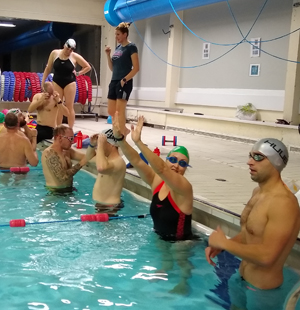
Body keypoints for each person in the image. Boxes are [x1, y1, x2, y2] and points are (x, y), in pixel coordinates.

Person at [205, 138, 300, 310]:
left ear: (275, 162)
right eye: (250, 155)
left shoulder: (284, 203)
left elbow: (267, 256)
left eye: (258, 157)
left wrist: (224, 242)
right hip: (241, 279)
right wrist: (228, 245)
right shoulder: (258, 192)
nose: (249, 162)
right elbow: (251, 232)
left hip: (262, 292)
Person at [113, 112, 194, 294]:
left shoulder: (184, 187)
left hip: (181, 242)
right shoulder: (158, 181)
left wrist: (140, 142)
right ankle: (164, 270)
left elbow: (162, 168)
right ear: (167, 159)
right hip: (160, 236)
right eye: (172, 159)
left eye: (182, 163)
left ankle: (183, 284)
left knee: (181, 264)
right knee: (165, 258)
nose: (176, 165)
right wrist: (120, 139)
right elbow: (135, 160)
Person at [41, 38, 91, 128]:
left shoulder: (74, 56)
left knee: (69, 107)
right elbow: (48, 68)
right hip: (57, 81)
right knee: (58, 106)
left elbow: (87, 67)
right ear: (64, 45)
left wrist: (79, 73)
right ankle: (58, 129)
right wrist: (43, 81)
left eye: (71, 50)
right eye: (67, 49)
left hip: (70, 82)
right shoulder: (54, 53)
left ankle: (70, 129)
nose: (68, 51)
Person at [105, 22, 139, 135]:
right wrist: (108, 55)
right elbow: (112, 68)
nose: (116, 37)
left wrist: (124, 80)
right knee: (111, 111)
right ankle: (120, 130)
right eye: (115, 35)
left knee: (119, 111)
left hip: (124, 82)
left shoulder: (131, 47)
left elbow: (136, 68)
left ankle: (120, 134)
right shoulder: (118, 48)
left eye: (118, 34)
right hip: (114, 81)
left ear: (125, 34)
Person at [41, 124, 95, 192]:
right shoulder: (49, 153)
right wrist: (82, 163)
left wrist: (92, 144)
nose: (72, 142)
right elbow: (62, 178)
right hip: (55, 193)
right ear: (60, 138)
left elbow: (88, 156)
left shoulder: (67, 151)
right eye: (71, 139)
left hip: (69, 189)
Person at [87, 129, 126, 216]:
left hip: (109, 208)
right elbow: (88, 159)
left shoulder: (118, 161)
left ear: (110, 144)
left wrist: (100, 146)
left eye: (101, 142)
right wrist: (92, 145)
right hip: (102, 205)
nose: (98, 145)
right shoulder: (106, 160)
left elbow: (101, 168)